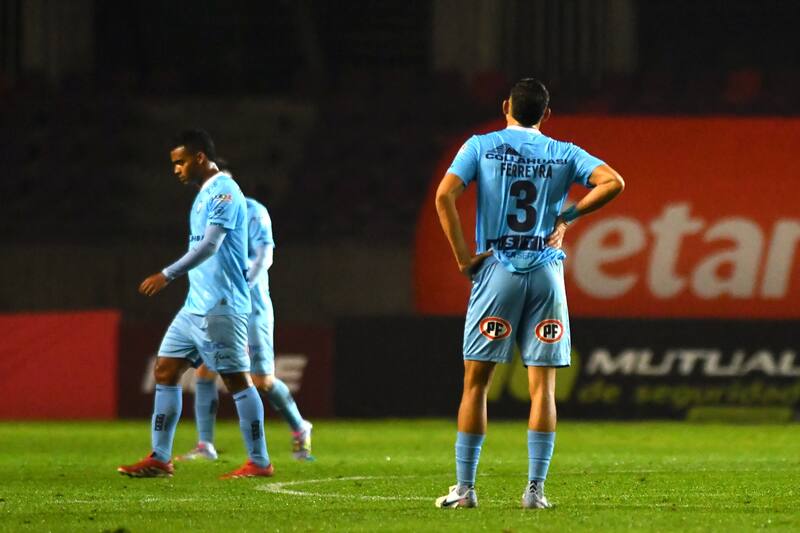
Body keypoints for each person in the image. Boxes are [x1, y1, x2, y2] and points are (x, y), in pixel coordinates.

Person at [433, 79, 624, 509]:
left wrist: (463, 258)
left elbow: (445, 196)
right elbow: (613, 182)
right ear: (546, 114)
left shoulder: (481, 146)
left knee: (476, 385)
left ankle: (465, 489)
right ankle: (535, 491)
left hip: (497, 267)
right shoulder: (564, 152)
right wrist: (568, 216)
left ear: (506, 106)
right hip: (545, 272)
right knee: (544, 388)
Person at [118, 129, 274, 479]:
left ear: (200, 157)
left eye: (181, 162)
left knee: (237, 381)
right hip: (194, 307)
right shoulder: (204, 193)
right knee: (165, 369)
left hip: (221, 305)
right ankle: (160, 457)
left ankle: (260, 461)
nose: (176, 169)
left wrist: (167, 274)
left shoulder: (224, 191)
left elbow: (210, 245)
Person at [176, 195, 314, 462]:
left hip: (253, 309)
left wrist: (241, 283)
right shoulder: (208, 216)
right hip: (222, 309)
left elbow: (264, 256)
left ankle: (300, 427)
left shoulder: (254, 212)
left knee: (263, 381)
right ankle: (205, 445)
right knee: (205, 371)